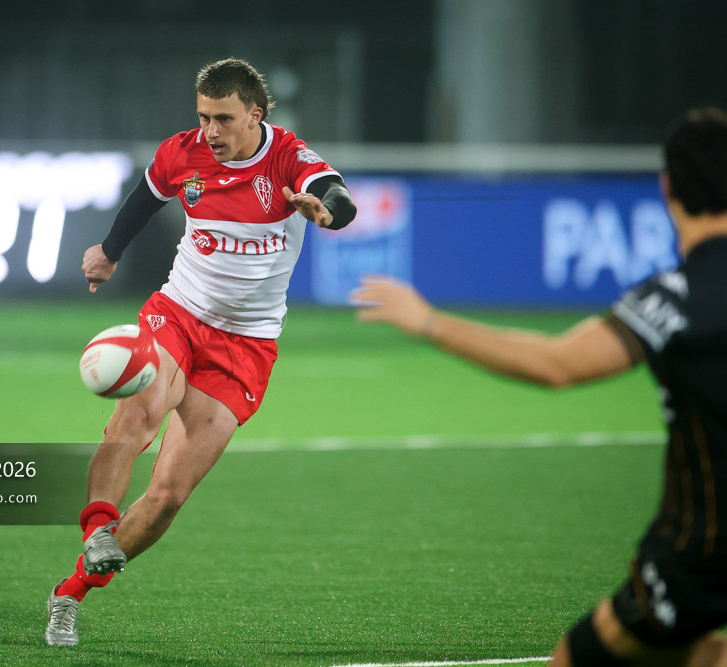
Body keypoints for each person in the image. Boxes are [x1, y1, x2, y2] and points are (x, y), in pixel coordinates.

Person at [354, 107, 727, 666]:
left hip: (703, 549)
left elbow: (558, 363)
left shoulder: (672, 299)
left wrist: (430, 322)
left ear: (667, 186)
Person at [45, 57, 357, 647]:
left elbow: (335, 195)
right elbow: (145, 197)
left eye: (223, 118)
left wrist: (325, 211)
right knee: (137, 414)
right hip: (179, 314)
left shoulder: (288, 157)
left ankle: (70, 593)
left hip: (247, 345)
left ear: (255, 115)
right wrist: (109, 253)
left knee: (166, 497)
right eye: (203, 117)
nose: (210, 131)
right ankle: (98, 528)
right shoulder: (182, 152)